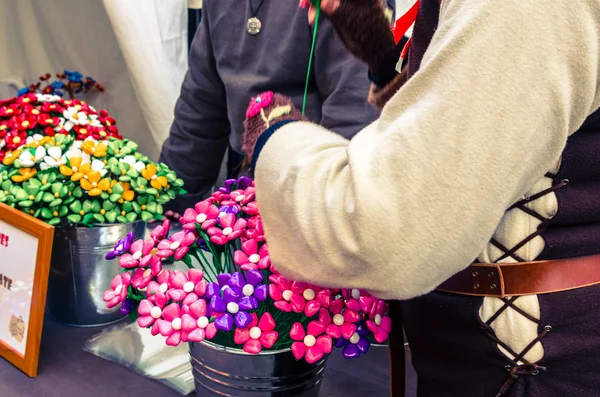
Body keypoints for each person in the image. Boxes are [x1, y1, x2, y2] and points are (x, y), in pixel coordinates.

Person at [242, 0, 600, 396]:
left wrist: (274, 136)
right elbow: (492, 127)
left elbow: (388, 231)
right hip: (469, 363)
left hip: (540, 371)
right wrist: (383, 59)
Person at [159, 0, 389, 213]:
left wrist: (321, 212)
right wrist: (170, 198)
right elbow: (201, 104)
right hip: (246, 190)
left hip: (314, 195)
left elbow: (353, 112)